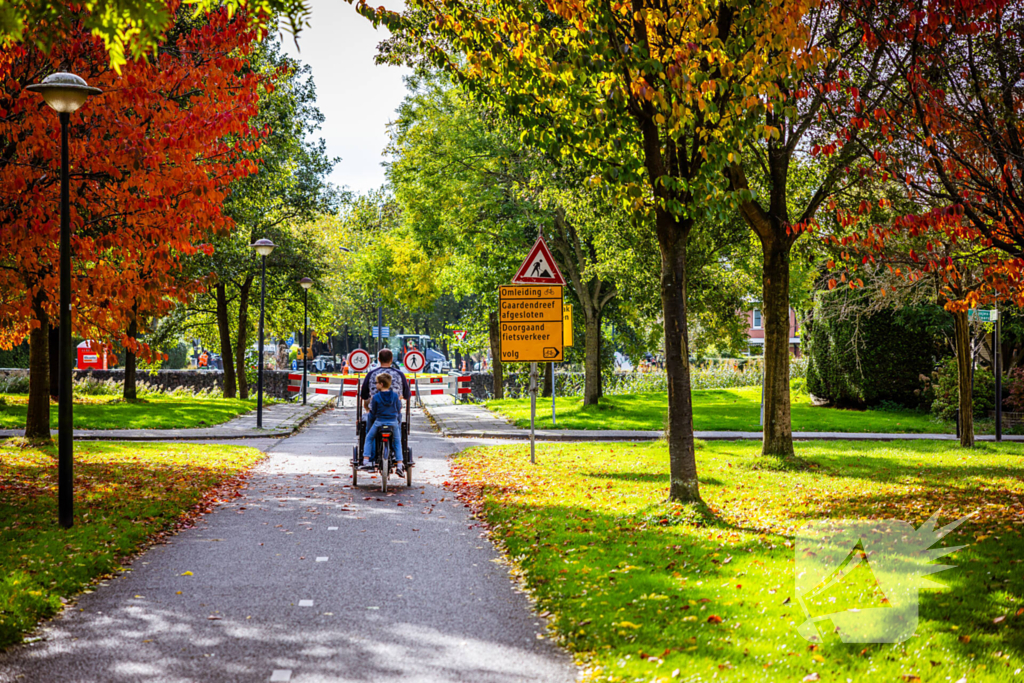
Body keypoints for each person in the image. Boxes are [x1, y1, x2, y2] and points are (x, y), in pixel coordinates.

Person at [363, 372, 405, 476]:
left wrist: (373, 417)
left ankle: (366, 460)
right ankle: (400, 464)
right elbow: (399, 408)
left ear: (381, 384)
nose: (375, 384)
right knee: (397, 441)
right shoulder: (395, 396)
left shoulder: (376, 397)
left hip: (379, 422)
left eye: (376, 383)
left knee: (369, 438)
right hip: (393, 423)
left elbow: (373, 411)